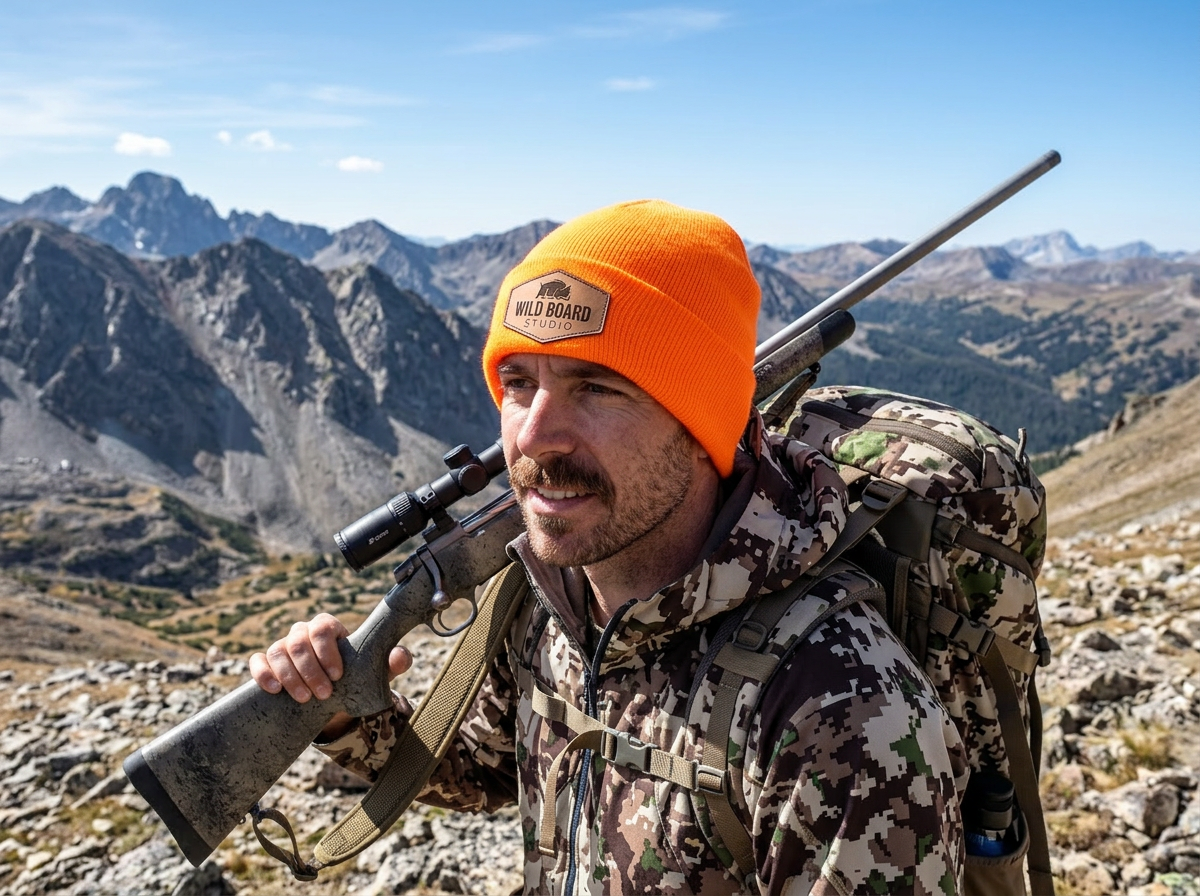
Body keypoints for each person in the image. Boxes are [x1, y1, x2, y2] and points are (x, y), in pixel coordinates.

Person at [251, 200, 969, 894]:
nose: (532, 437)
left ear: (700, 426)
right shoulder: (546, 595)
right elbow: (484, 769)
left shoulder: (838, 708)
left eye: (596, 388)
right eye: (517, 383)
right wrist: (346, 711)